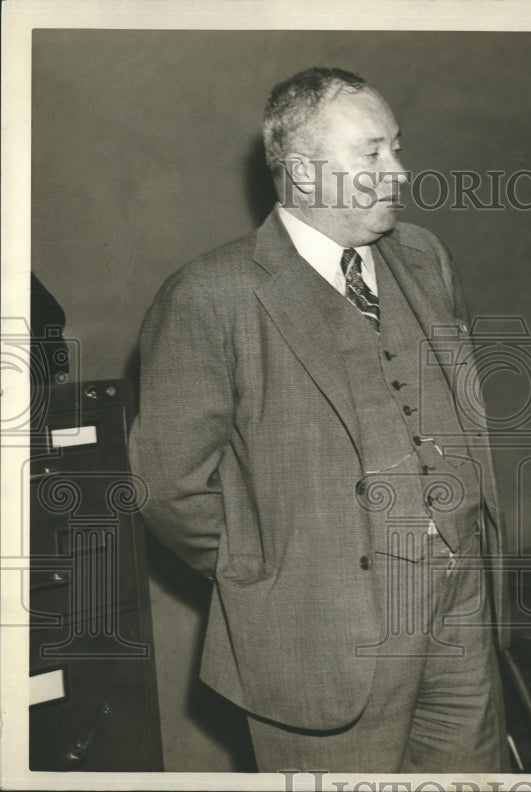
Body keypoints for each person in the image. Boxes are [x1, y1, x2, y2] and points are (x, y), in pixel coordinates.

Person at [130, 67, 507, 773]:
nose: (398, 170)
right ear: (303, 173)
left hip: (459, 612)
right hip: (321, 638)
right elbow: (168, 487)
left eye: (396, 146)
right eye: (372, 153)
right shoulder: (211, 295)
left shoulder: (424, 258)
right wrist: (273, 572)